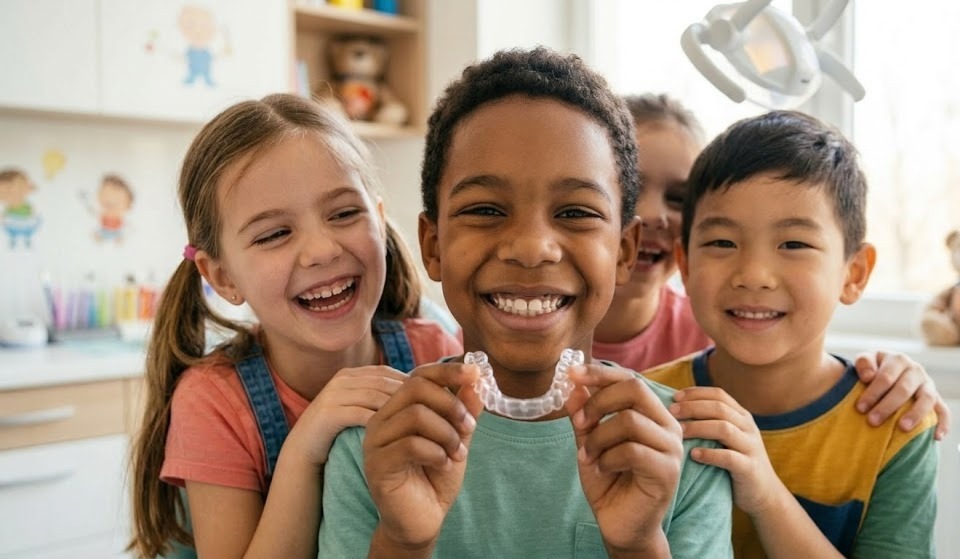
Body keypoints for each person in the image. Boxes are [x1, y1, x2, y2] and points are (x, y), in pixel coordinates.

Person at [318, 47, 733, 558]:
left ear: (624, 251)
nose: (532, 247)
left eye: (577, 211)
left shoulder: (683, 451)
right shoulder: (374, 449)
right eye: (486, 209)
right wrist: (404, 540)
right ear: (433, 246)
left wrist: (638, 543)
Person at [128, 94, 462, 559]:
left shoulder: (434, 350)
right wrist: (305, 447)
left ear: (380, 221)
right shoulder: (213, 401)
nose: (321, 250)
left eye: (345, 213)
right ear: (222, 276)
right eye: (274, 234)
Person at [645, 110, 938, 557]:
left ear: (854, 273)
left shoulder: (896, 424)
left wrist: (765, 495)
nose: (755, 275)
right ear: (685, 266)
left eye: (794, 244)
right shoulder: (650, 406)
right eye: (722, 242)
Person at [593, 93, 950, 440]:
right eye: (631, 189)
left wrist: (895, 379)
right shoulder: (548, 325)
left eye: (679, 198)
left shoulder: (729, 326)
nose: (653, 214)